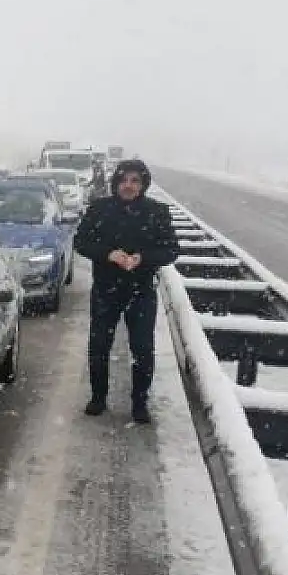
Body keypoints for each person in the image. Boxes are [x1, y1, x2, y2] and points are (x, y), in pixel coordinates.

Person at [74, 159, 178, 423]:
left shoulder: (157, 212)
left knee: (142, 349)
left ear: (143, 184)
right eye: (124, 180)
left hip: (141, 290)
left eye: (134, 181)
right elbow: (81, 242)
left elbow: (171, 250)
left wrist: (143, 258)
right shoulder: (99, 209)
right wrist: (109, 254)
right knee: (99, 346)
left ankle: (140, 403)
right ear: (116, 182)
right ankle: (98, 397)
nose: (128, 186)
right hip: (106, 289)